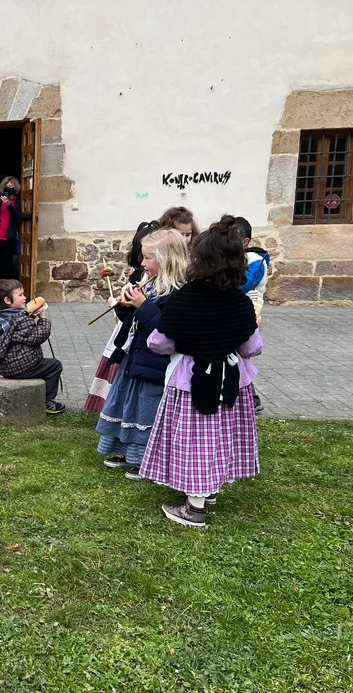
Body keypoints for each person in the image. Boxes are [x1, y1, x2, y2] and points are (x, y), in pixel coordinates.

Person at [139, 215, 262, 528]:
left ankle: (195, 508)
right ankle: (210, 489)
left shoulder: (184, 299)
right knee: (220, 437)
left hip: (192, 380)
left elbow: (159, 343)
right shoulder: (240, 302)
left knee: (197, 442)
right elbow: (251, 347)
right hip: (232, 380)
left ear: (198, 260)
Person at [96, 228, 189, 479]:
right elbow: (136, 321)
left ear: (167, 259)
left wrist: (143, 306)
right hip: (135, 357)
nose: (142, 263)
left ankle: (147, 459)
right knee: (127, 404)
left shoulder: (179, 292)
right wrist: (126, 307)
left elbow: (166, 329)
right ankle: (126, 451)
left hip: (155, 363)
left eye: (148, 258)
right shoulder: (151, 284)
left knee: (147, 409)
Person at [84, 220, 158, 413]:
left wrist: (124, 306)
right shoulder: (140, 275)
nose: (143, 262)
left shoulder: (158, 283)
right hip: (132, 339)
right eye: (143, 256)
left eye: (147, 257)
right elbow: (131, 313)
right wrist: (121, 304)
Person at [0, 278, 65, 413]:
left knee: (45, 366)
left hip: (5, 368)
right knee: (54, 365)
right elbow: (38, 336)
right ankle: (47, 402)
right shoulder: (22, 319)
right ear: (7, 300)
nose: (25, 298)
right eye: (20, 295)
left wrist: (30, 317)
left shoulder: (2, 317)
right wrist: (43, 318)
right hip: (22, 367)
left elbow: (19, 333)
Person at [236, 216, 270, 414]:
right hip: (238, 306)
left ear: (245, 241)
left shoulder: (257, 261)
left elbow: (245, 285)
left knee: (241, 353)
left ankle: (252, 398)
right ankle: (251, 396)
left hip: (250, 306)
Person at [0, 176, 22, 281]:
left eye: (11, 186)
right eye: (6, 186)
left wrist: (9, 205)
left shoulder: (17, 201)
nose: (9, 188)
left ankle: (8, 286)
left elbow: (16, 217)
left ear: (15, 188)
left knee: (7, 264)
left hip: (9, 237)